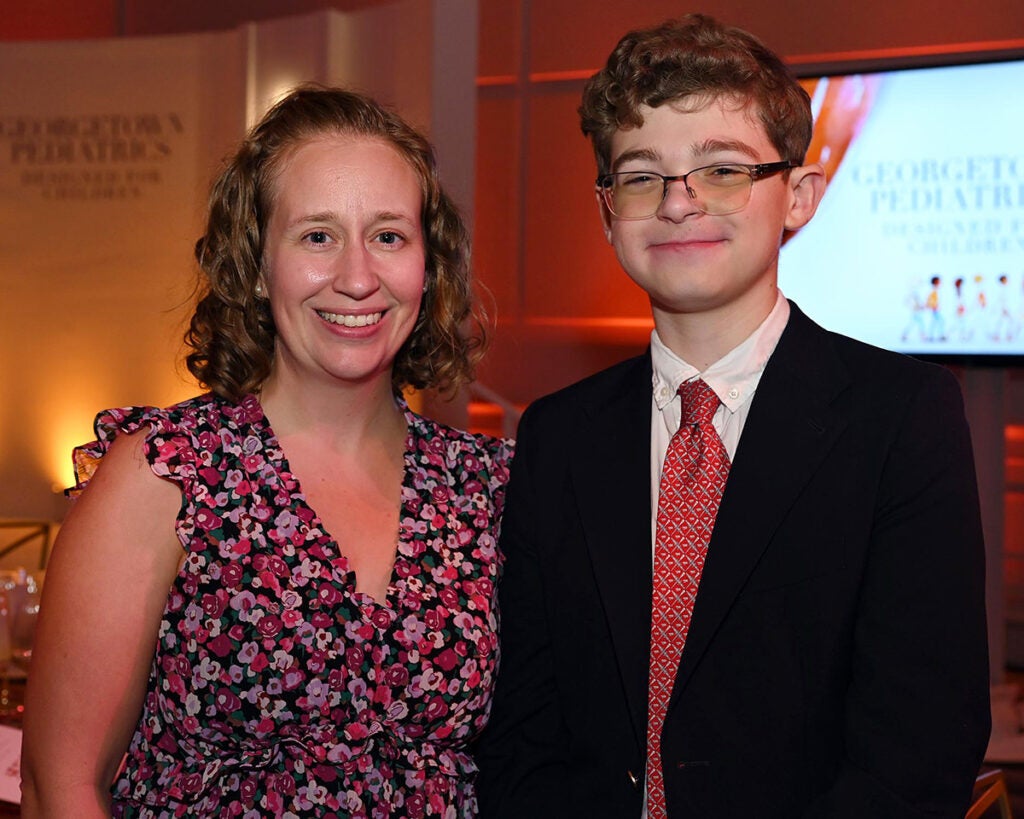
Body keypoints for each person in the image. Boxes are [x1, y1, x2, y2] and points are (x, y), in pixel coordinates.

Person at [475, 14, 989, 819]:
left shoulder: (901, 420)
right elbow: (521, 727)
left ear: (800, 198)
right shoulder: (557, 436)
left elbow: (919, 751)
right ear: (608, 212)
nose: (680, 203)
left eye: (721, 170)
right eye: (642, 176)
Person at [21, 85, 513, 818]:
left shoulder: (487, 486)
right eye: (317, 236)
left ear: (428, 265)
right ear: (255, 264)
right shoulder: (165, 474)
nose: (357, 277)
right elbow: (60, 786)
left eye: (388, 236)